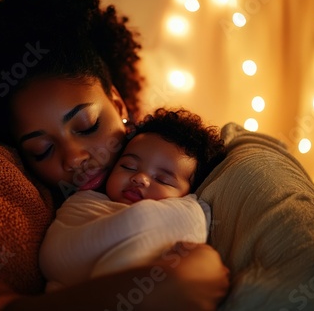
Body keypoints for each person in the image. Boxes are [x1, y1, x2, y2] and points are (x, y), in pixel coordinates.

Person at [0, 0, 230, 310]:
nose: (75, 158)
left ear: (119, 104)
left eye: (87, 125)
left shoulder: (169, 149)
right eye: (42, 150)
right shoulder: (10, 190)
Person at [39, 108, 227, 292]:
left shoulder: (187, 212)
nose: (140, 178)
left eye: (161, 179)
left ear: (187, 194)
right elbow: (57, 254)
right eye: (128, 166)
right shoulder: (84, 202)